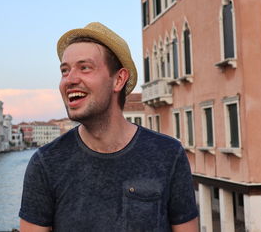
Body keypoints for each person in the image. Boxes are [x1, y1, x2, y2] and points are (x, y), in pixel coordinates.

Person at [19, 22, 198, 232]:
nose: (69, 80)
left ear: (119, 79)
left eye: (84, 68)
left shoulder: (169, 155)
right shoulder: (45, 164)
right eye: (64, 71)